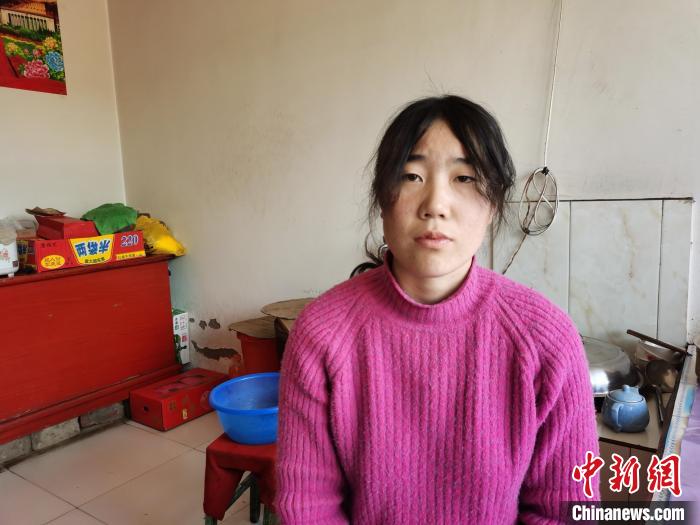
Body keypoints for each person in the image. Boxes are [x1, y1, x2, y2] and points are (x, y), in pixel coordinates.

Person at [274, 95, 600, 524]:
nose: (435, 204)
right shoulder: (321, 334)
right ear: (382, 200)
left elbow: (564, 513)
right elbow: (308, 508)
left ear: (493, 205)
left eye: (464, 177)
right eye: (411, 175)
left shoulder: (547, 340)